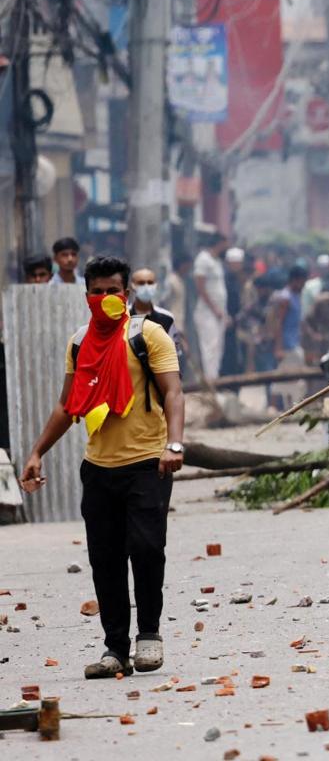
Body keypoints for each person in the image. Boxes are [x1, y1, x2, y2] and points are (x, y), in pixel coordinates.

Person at [19, 256, 184, 678]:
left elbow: (174, 394)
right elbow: (66, 405)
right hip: (98, 468)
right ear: (86, 295)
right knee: (105, 559)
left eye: (113, 290)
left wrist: (174, 444)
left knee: (147, 549)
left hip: (148, 463)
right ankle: (115, 648)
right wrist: (38, 451)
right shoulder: (79, 342)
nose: (106, 298)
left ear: (126, 294)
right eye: (98, 291)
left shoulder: (149, 336)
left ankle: (149, 635)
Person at [192, 232, 230, 380]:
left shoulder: (217, 262)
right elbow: (200, 287)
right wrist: (214, 308)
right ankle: (210, 380)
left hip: (219, 312)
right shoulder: (203, 259)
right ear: (219, 243)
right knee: (210, 347)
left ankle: (215, 378)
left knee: (218, 348)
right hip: (207, 312)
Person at [271, 265, 309, 407]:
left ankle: (289, 406)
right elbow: (279, 323)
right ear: (296, 280)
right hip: (287, 343)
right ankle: (274, 405)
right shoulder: (285, 297)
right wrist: (278, 347)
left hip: (294, 341)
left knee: (289, 376)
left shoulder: (296, 296)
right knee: (284, 375)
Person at [129, 267, 182, 355]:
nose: (146, 287)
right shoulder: (124, 316)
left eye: (150, 283)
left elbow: (174, 353)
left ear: (156, 285)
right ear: (132, 285)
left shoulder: (167, 318)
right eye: (141, 283)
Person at [220, 247, 249, 376]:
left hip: (233, 321)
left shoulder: (234, 278)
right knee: (227, 352)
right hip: (227, 320)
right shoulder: (226, 278)